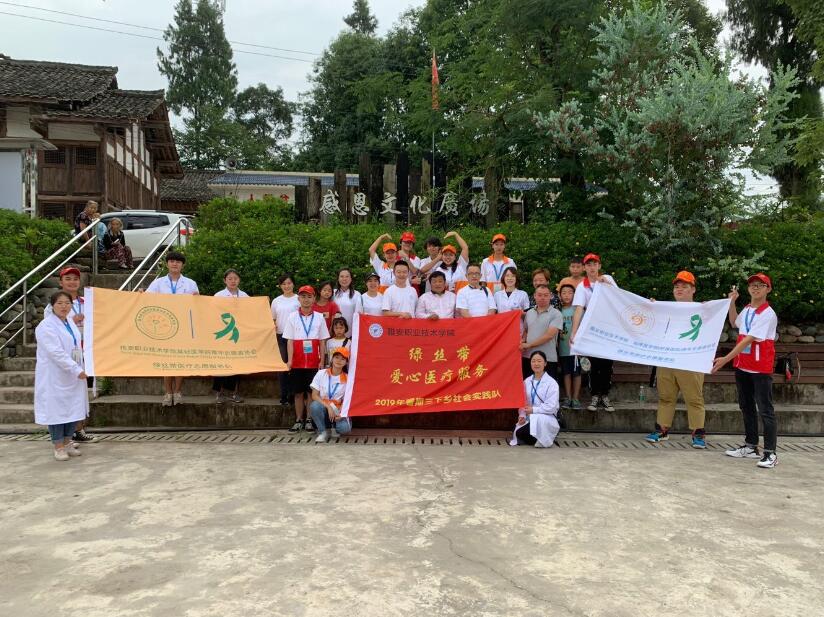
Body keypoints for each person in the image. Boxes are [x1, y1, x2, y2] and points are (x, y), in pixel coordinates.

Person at [712, 273, 779, 469]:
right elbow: (735, 323)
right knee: (746, 406)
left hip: (760, 368)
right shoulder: (748, 309)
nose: (755, 288)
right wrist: (732, 302)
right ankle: (751, 447)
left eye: (760, 285)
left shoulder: (768, 313)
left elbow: (749, 339)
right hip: (743, 366)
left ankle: (770, 453)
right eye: (752, 285)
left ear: (768, 289)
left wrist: (725, 359)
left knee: (765, 410)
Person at [644, 271, 707, 448]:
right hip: (667, 359)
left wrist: (714, 308)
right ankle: (662, 429)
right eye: (677, 287)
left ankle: (698, 433)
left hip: (690, 361)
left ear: (693, 289)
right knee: (665, 397)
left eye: (684, 286)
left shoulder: (703, 310)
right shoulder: (665, 309)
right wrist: (651, 308)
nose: (679, 289)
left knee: (694, 398)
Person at [35, 291, 89, 461]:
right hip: (55, 375)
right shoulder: (45, 326)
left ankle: (67, 442)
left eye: (67, 303)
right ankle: (58, 446)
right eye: (59, 303)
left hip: (73, 374)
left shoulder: (70, 322)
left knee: (73, 408)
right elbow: (56, 353)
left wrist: (81, 366)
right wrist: (75, 369)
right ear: (52, 306)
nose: (64, 306)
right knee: (56, 411)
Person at [44, 266, 96, 443]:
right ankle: (62, 436)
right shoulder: (53, 307)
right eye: (68, 279)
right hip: (65, 356)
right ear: (61, 282)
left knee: (80, 393)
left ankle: (78, 430)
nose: (72, 282)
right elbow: (50, 329)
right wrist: (73, 320)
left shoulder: (87, 301)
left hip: (85, 353)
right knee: (64, 393)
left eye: (75, 279)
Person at [146, 251, 200, 406]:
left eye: (178, 262)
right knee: (166, 360)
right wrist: (141, 294)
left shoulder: (190, 283)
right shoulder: (158, 283)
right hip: (164, 327)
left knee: (181, 360)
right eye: (172, 261)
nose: (175, 264)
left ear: (183, 265)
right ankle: (168, 392)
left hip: (183, 326)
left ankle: (177, 392)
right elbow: (146, 299)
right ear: (167, 264)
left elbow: (198, 305)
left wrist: (198, 299)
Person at [570, 253, 617, 412]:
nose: (592, 267)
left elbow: (619, 298)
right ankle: (595, 395)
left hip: (608, 329)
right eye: (588, 265)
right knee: (594, 364)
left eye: (594, 264)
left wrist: (606, 284)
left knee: (607, 364)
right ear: (584, 268)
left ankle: (605, 395)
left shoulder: (608, 279)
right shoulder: (582, 286)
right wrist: (574, 332)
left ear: (599, 266)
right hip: (592, 330)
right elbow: (578, 309)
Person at [283, 285, 329, 433]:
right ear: (298, 298)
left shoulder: (319, 317)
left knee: (310, 392)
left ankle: (309, 420)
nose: (306, 299)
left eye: (309, 296)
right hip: (297, 361)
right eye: (303, 296)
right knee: (298, 393)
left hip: (314, 362)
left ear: (314, 299)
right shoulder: (292, 316)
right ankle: (298, 420)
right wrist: (290, 361)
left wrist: (322, 361)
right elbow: (289, 341)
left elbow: (322, 341)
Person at [510, 351, 560, 448]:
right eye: (533, 361)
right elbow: (522, 401)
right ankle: (542, 436)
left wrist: (533, 410)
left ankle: (545, 435)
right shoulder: (527, 381)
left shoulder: (552, 383)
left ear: (545, 363)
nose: (536, 364)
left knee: (527, 431)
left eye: (539, 361)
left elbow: (551, 407)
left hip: (545, 417)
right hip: (530, 417)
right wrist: (522, 415)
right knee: (517, 431)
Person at [213, 269, 249, 404]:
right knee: (220, 364)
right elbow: (212, 313)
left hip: (238, 335)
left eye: (235, 278)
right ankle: (219, 393)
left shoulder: (244, 296)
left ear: (239, 280)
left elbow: (252, 312)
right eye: (230, 278)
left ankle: (234, 393)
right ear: (225, 280)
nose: (233, 281)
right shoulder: (218, 295)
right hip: (223, 334)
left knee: (237, 364)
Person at [310, 347, 353, 443]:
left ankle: (335, 427)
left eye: (343, 359)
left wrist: (342, 413)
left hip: (338, 409)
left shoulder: (348, 378)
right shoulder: (321, 373)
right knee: (314, 406)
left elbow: (348, 400)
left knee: (345, 428)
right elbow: (314, 395)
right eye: (337, 357)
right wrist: (328, 407)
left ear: (346, 362)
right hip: (323, 407)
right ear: (332, 359)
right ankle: (322, 432)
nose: (339, 361)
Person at [521, 285, 563, 379]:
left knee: (547, 386)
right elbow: (526, 331)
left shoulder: (556, 314)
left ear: (550, 296)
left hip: (547, 358)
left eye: (545, 295)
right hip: (528, 357)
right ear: (534, 296)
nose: (542, 298)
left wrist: (529, 345)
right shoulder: (529, 313)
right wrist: (522, 342)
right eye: (539, 295)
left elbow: (549, 335)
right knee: (528, 385)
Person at [271, 274, 299, 406]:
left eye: (289, 283)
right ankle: (284, 395)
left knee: (294, 366)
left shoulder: (299, 299)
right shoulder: (276, 301)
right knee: (282, 367)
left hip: (296, 337)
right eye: (284, 284)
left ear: (293, 284)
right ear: (280, 286)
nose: (287, 286)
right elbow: (273, 319)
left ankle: (293, 395)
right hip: (281, 336)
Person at [557, 283, 582, 410]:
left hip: (576, 348)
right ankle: (567, 397)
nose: (567, 295)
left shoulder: (578, 309)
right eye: (564, 293)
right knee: (566, 373)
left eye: (570, 293)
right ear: (560, 295)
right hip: (563, 347)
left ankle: (575, 398)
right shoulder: (558, 310)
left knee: (576, 373)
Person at [333, 268, 361, 336]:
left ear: (351, 279)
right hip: (334, 332)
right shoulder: (333, 293)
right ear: (338, 279)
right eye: (342, 276)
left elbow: (358, 315)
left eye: (347, 276)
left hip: (351, 333)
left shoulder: (357, 294)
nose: (344, 279)